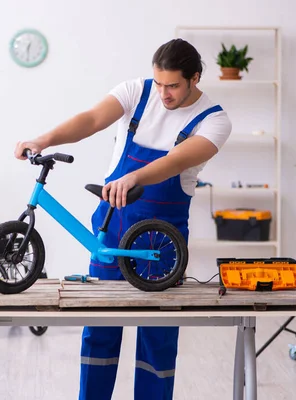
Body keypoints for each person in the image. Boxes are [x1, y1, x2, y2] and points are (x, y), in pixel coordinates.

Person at [14, 38, 232, 400]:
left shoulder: (215, 120)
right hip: (112, 227)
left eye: (173, 85)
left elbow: (178, 160)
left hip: (162, 240)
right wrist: (45, 139)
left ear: (195, 78)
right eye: (159, 83)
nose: (164, 93)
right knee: (100, 326)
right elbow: (92, 119)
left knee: (157, 337)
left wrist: (136, 177)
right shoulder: (136, 92)